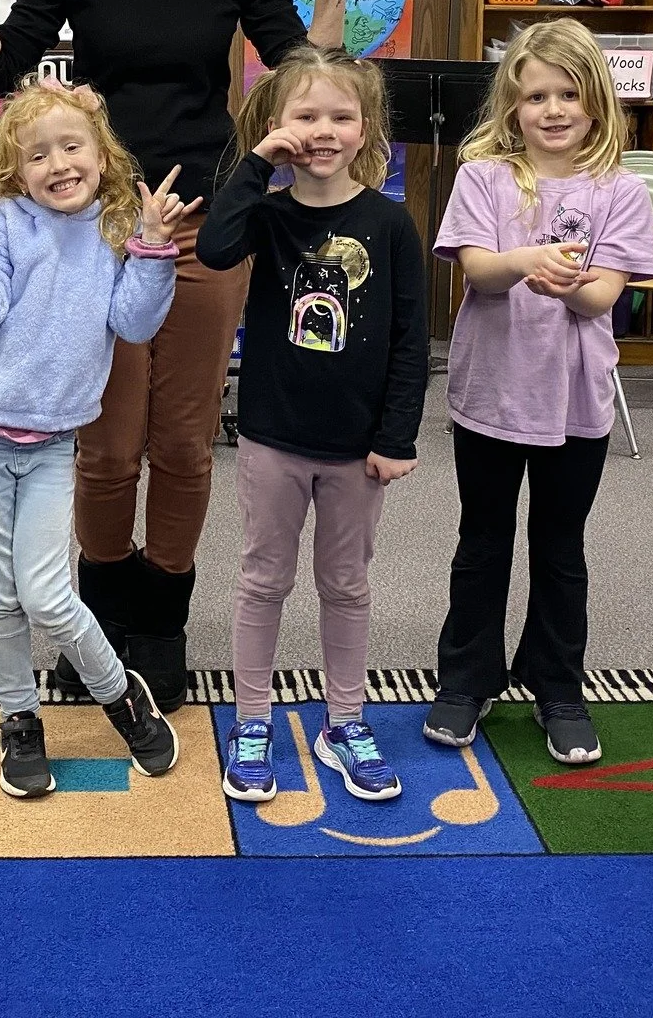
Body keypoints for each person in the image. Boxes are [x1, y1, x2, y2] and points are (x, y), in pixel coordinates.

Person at [0, 0, 385, 709]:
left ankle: (163, 624)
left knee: (183, 444)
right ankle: (94, 615)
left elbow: (305, 80)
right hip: (91, 230)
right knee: (103, 448)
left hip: (201, 222)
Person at [0, 82, 190, 797]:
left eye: (71, 147)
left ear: (102, 156)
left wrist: (155, 251)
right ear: (17, 167)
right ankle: (20, 719)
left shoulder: (115, 228)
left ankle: (119, 697)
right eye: (37, 154)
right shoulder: (7, 221)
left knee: (45, 593)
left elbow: (135, 324)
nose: (58, 164)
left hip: (49, 443)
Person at [196, 48, 429, 804]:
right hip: (271, 433)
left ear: (366, 129)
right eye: (304, 115)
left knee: (347, 584)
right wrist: (257, 163)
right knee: (263, 580)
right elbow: (214, 244)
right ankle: (254, 719)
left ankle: (345, 720)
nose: (323, 130)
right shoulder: (266, 211)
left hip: (357, 446)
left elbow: (408, 337)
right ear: (276, 125)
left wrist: (396, 436)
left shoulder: (391, 223)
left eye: (340, 116)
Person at [424, 19, 653, 768]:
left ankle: (558, 684)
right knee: (481, 540)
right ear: (512, 105)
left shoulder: (622, 189)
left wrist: (576, 284)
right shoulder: (483, 175)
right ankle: (466, 678)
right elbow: (479, 273)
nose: (553, 110)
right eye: (536, 96)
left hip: (575, 402)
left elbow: (606, 297)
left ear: (596, 102)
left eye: (569, 94)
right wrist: (527, 260)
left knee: (561, 547)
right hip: (491, 392)